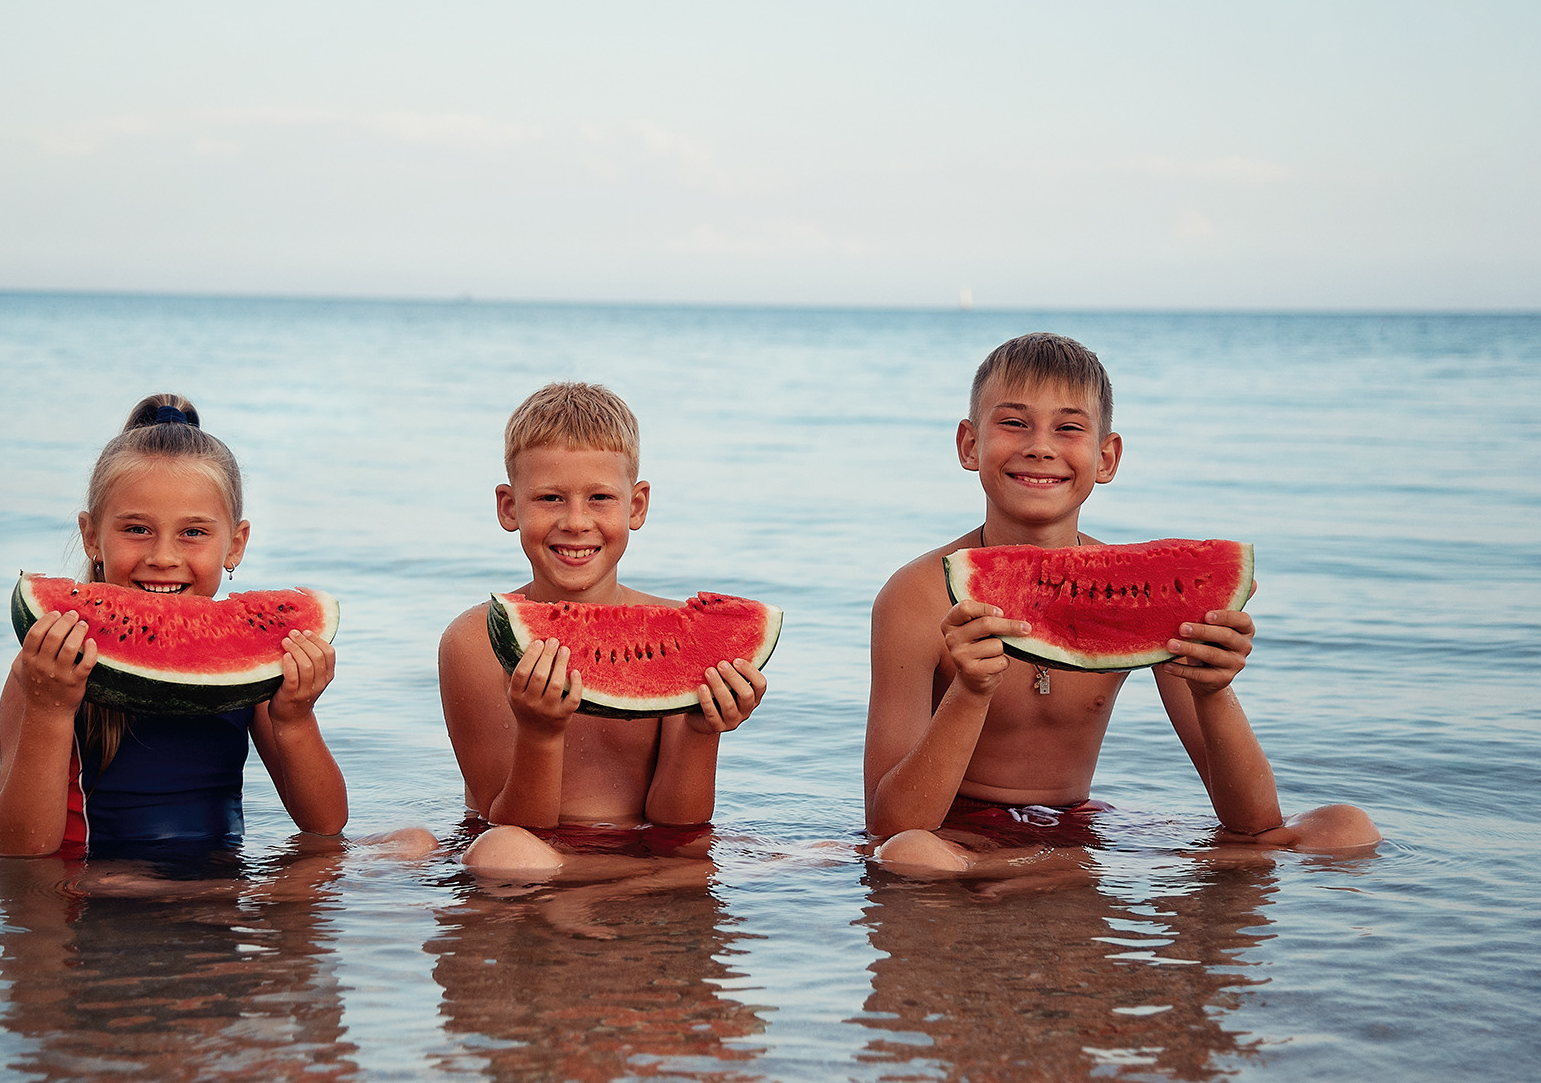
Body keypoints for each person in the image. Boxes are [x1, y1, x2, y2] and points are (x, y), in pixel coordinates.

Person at [864, 333, 1379, 872]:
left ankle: (1042, 870)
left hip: (1080, 823)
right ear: (969, 445)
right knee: (912, 857)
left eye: (1069, 428)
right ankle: (1049, 871)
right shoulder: (914, 598)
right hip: (959, 837)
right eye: (1014, 423)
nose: (1041, 446)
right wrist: (971, 691)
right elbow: (888, 824)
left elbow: (1253, 821)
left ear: (1106, 458)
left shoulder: (1138, 593)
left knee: (1346, 828)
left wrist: (1214, 691)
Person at [0, 393, 426, 865]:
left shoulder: (255, 671)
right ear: (92, 536)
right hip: (99, 889)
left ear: (235, 544)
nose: (163, 557)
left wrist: (296, 717)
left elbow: (324, 824)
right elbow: (22, 849)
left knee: (415, 843)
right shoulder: (48, 666)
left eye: (193, 533)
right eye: (136, 529)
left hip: (220, 884)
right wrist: (50, 710)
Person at [439, 382, 770, 877]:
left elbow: (678, 822)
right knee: (498, 852)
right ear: (509, 507)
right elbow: (507, 823)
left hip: (645, 851)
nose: (576, 522)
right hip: (532, 857)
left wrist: (703, 732)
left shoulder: (678, 635)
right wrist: (541, 733)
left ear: (636, 506)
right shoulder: (473, 642)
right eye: (550, 498)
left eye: (599, 498)